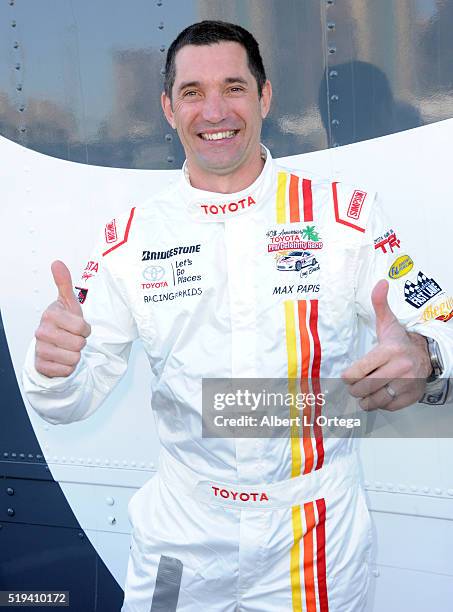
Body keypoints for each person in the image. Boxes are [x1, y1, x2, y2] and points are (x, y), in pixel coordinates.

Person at [22, 20, 453, 612]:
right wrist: (52, 368)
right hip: (181, 537)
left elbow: (440, 320)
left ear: (265, 97)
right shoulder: (130, 239)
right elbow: (68, 401)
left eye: (234, 86)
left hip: (314, 540)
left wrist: (425, 356)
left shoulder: (344, 218)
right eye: (193, 93)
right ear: (168, 110)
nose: (215, 110)